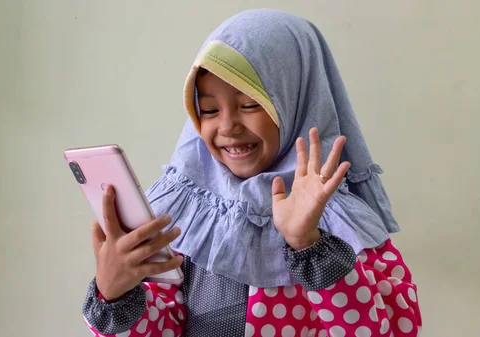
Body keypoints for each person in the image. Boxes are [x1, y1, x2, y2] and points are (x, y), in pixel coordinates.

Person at [81, 9, 422, 337]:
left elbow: (390, 331)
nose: (227, 126)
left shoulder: (337, 218)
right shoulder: (183, 213)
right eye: (210, 109)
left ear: (295, 99)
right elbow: (163, 328)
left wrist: (309, 245)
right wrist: (114, 293)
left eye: (249, 105)